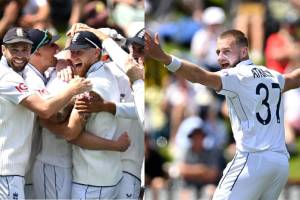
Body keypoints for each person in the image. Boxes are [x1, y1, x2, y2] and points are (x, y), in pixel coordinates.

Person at [145, 29, 300, 200]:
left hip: (253, 160)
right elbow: (294, 78)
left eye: (226, 51)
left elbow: (199, 76)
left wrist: (165, 58)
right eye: (218, 52)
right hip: (279, 163)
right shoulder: (273, 75)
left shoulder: (236, 76)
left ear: (244, 51)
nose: (220, 58)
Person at [0, 27, 91, 199]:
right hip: (7, 170)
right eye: (14, 49)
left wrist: (61, 62)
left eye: (25, 49)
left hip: (18, 169)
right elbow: (45, 109)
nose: (20, 54)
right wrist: (73, 90)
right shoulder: (8, 77)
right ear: (3, 49)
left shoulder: (24, 71)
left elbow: (63, 56)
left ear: (31, 52)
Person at [40, 30, 125, 199]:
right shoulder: (104, 71)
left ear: (96, 53)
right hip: (105, 175)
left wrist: (44, 121)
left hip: (92, 182)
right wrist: (63, 62)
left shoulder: (92, 84)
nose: (74, 56)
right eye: (72, 51)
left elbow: (71, 132)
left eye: (80, 51)